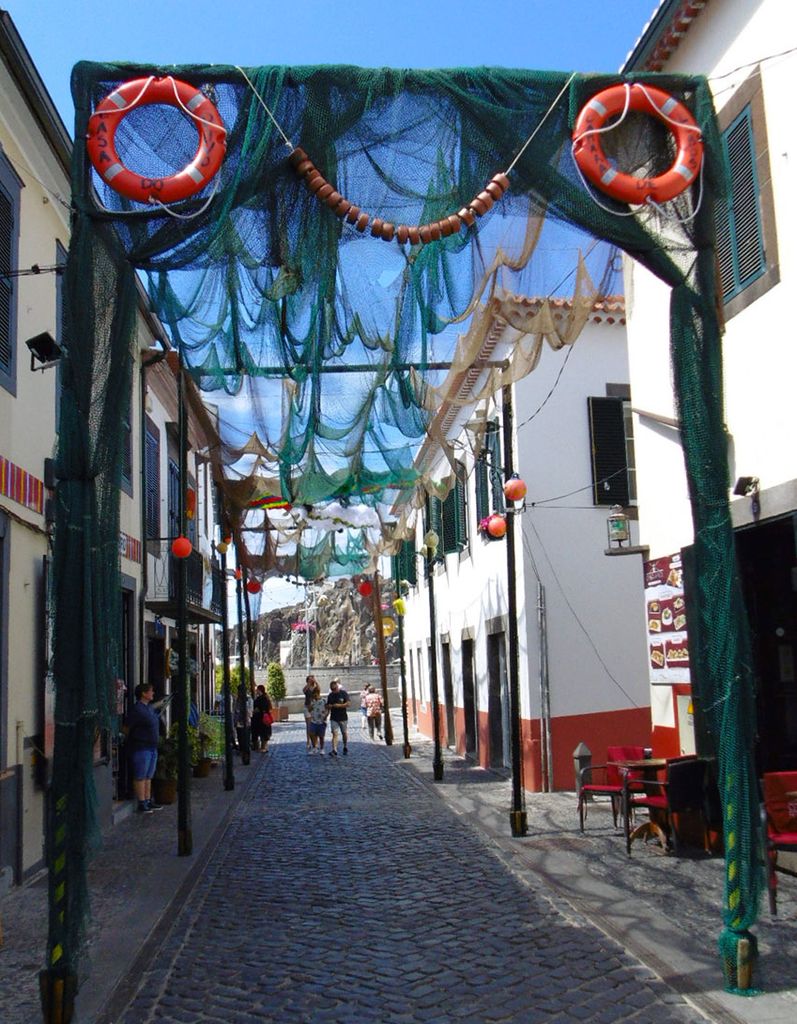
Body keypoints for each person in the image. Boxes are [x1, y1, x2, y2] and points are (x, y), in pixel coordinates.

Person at [124, 683, 164, 813]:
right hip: (141, 747)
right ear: (143, 694)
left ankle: (147, 800)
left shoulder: (148, 708)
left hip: (152, 746)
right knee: (141, 775)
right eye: (151, 691)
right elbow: (126, 727)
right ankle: (141, 802)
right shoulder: (137, 710)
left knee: (148, 775)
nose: (153, 693)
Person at [325, 677, 350, 756]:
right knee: (334, 733)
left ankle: (345, 746)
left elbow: (348, 704)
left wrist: (339, 705)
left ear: (337, 687)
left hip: (343, 716)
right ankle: (334, 750)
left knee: (344, 733)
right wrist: (329, 708)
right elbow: (328, 706)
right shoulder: (330, 696)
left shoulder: (343, 693)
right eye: (332, 689)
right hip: (334, 717)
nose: (334, 690)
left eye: (335, 688)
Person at [308, 683, 329, 754]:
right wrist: (312, 704)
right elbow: (309, 709)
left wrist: (326, 716)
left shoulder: (323, 700)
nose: (314, 696)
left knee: (321, 736)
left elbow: (328, 709)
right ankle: (314, 747)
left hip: (322, 721)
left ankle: (322, 748)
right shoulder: (312, 701)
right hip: (313, 720)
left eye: (315, 694)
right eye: (313, 694)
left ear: (318, 693)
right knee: (311, 733)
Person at [251, 684, 273, 752]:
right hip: (263, 718)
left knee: (262, 733)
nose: (256, 691)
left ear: (260, 690)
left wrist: (256, 710)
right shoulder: (265, 697)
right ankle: (264, 747)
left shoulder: (261, 698)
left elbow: (259, 708)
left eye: (257, 689)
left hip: (260, 718)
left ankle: (262, 748)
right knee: (264, 733)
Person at [303, 675, 318, 752]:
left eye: (312, 678)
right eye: (310, 679)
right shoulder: (306, 688)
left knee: (315, 724)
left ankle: (315, 742)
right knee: (309, 725)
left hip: (315, 707)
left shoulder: (316, 687)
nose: (312, 680)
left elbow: (318, 691)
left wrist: (315, 682)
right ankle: (308, 741)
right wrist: (309, 683)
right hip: (307, 707)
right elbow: (304, 690)